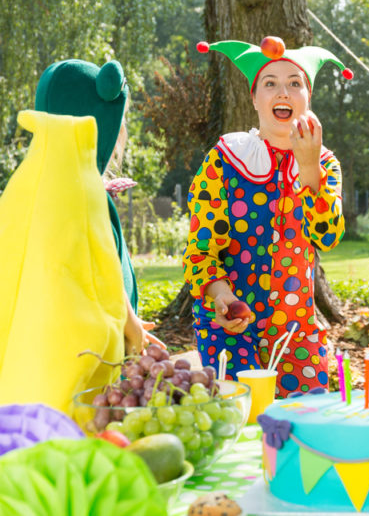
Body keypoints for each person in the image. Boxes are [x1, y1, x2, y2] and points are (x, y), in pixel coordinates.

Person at [184, 37, 349, 396]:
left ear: (308, 98)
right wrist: (222, 297)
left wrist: (308, 167)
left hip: (297, 332)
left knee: (306, 427)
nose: (282, 93)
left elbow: (328, 236)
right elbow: (201, 251)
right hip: (230, 325)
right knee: (243, 426)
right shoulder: (226, 158)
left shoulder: (325, 164)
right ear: (254, 98)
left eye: (294, 83)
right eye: (270, 83)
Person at [34, 59, 162, 355]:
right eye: (119, 121)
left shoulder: (43, 189)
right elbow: (98, 269)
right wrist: (131, 326)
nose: (122, 131)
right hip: (91, 352)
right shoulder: (83, 196)